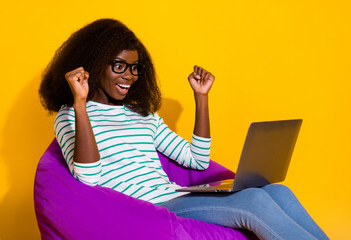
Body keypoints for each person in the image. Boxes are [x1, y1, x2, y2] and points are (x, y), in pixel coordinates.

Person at [39, 18, 329, 240]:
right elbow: (88, 179)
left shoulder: (143, 115)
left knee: (278, 191)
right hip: (150, 211)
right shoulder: (70, 117)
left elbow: (197, 160)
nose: (129, 76)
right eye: (119, 66)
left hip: (177, 196)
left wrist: (201, 98)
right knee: (253, 201)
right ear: (95, 65)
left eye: (135, 68)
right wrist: (79, 103)